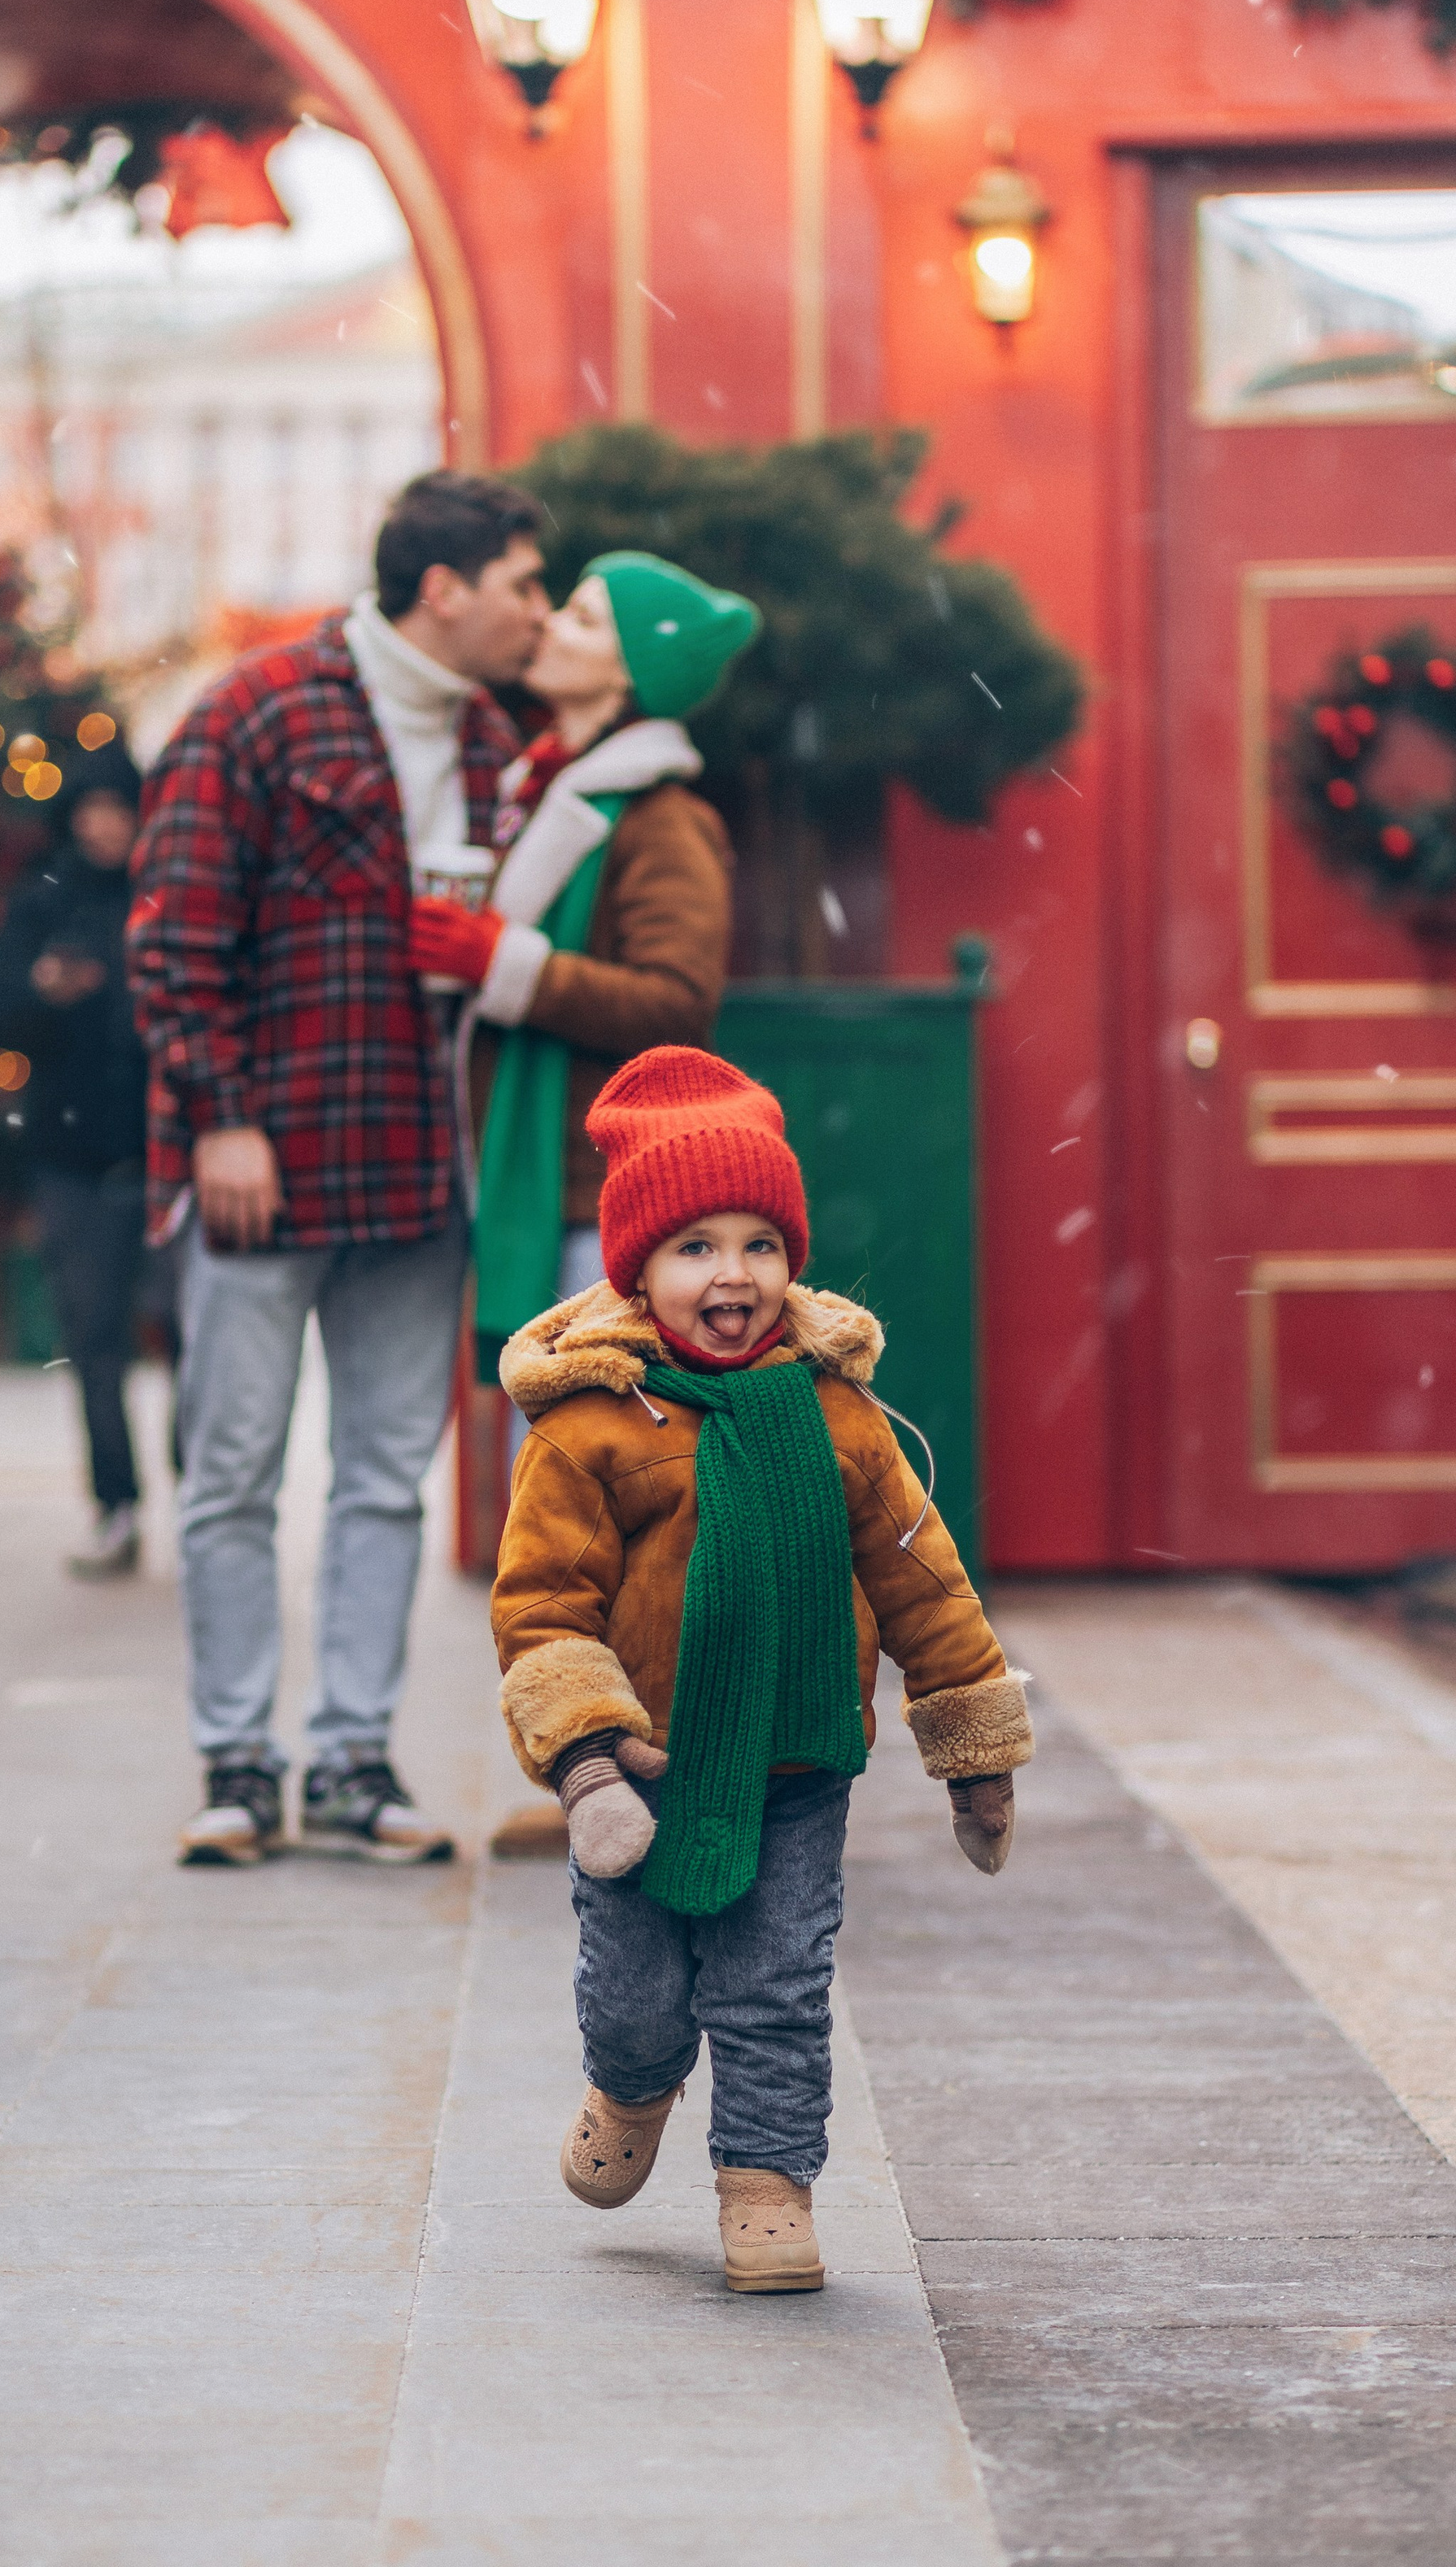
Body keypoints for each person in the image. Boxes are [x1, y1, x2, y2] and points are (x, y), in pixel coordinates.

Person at [490, 1046, 1032, 2293]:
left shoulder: (838, 1416)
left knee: (777, 1988)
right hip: (639, 1768)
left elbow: (921, 1578)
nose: (731, 1275)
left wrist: (974, 1745)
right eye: (694, 1248)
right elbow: (542, 1605)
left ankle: (767, 2183)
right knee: (634, 1988)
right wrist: (582, 1759)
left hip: (798, 1767)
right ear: (635, 1271)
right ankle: (631, 2087)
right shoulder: (593, 1427)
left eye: (759, 1244)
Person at [129, 468, 549, 1868]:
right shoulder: (257, 710)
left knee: (384, 1474)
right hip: (265, 1159)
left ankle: (352, 1759)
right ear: (445, 587)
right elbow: (175, 934)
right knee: (233, 1468)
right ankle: (237, 1759)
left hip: (422, 1170)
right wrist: (220, 1114)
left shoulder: (498, 743)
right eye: (524, 584)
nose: (538, 612)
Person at [405, 550, 756, 1375]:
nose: (549, 622)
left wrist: (503, 963)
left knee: (579, 1450)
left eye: (583, 618)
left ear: (627, 676)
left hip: (589, 1201)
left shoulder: (661, 818)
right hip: (532, 1179)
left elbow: (676, 1004)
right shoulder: (534, 789)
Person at [0, 742, 155, 1579]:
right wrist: (46, 992)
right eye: (91, 813)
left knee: (197, 1327)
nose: (105, 828)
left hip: (166, 1149)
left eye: (118, 811)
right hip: (72, 1152)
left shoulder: (168, 893)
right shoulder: (41, 899)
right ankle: (115, 1499)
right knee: (94, 1336)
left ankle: (201, 1476)